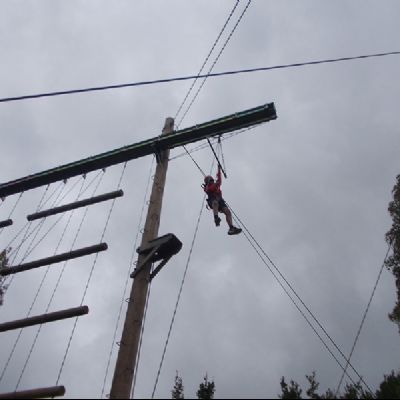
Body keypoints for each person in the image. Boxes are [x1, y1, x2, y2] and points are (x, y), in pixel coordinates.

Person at [202, 166, 242, 235]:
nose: (211, 181)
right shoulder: (207, 187)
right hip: (212, 200)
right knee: (215, 202)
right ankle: (216, 217)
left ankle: (231, 228)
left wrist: (219, 169)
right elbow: (208, 190)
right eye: (209, 180)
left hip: (220, 201)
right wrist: (209, 184)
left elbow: (219, 179)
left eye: (211, 180)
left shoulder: (216, 184)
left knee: (227, 211)